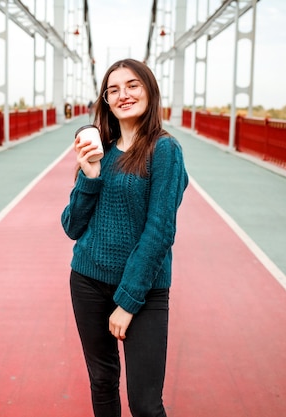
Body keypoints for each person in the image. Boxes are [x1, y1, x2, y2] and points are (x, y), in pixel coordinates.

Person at [61, 58, 188, 417]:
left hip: (143, 290)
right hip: (87, 281)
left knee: (145, 405)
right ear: (105, 101)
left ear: (149, 91)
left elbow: (160, 231)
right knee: (102, 382)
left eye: (132, 85)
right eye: (113, 89)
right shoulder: (101, 149)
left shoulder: (165, 151)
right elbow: (72, 226)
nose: (123, 95)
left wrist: (128, 302)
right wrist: (89, 175)